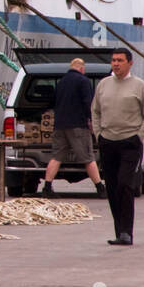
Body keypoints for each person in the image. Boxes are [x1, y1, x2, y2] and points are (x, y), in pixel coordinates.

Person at [91, 48, 144, 246]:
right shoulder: (103, 85)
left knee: (125, 184)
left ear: (130, 63)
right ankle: (119, 231)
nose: (116, 64)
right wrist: (98, 134)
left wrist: (139, 136)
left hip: (130, 142)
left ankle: (127, 232)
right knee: (111, 187)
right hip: (107, 141)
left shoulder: (139, 86)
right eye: (113, 60)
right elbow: (95, 111)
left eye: (120, 60)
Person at [42, 57, 106, 198]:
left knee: (56, 157)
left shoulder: (62, 82)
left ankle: (47, 188)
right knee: (88, 158)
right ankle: (100, 188)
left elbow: (52, 102)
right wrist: (91, 122)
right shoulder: (83, 81)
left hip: (59, 126)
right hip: (78, 126)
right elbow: (88, 103)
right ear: (82, 69)